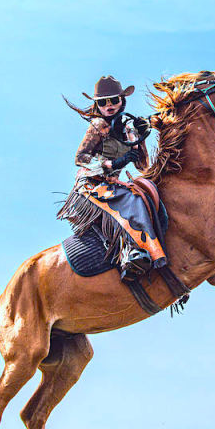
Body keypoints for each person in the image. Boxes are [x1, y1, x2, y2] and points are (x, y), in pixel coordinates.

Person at [58, 75, 167, 278]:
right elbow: (80, 158)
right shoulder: (98, 125)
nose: (109, 105)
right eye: (102, 102)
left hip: (114, 184)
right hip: (90, 185)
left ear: (121, 101)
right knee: (131, 201)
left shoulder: (129, 128)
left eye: (113, 100)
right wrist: (111, 164)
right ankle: (130, 254)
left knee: (149, 198)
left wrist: (141, 140)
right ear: (97, 105)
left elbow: (143, 166)